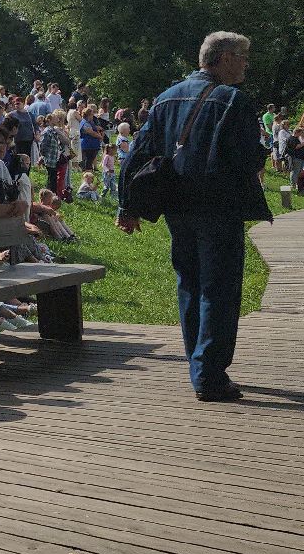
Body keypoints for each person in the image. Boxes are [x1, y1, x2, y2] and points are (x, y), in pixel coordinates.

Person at [116, 31, 270, 403]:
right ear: (225, 58)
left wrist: (128, 205)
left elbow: (138, 153)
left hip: (177, 206)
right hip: (217, 207)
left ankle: (198, 361)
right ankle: (210, 374)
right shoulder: (233, 101)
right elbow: (247, 158)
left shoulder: (165, 99)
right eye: (243, 57)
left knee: (190, 281)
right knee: (219, 288)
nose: (247, 64)